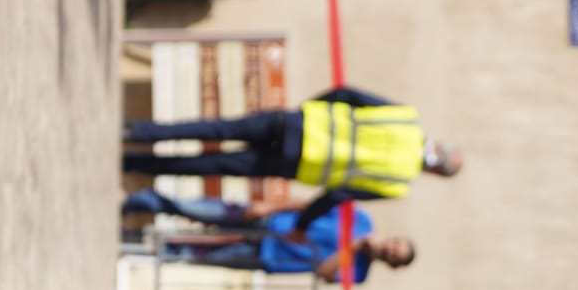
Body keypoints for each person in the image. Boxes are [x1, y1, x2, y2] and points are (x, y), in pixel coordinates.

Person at [123, 85, 460, 229]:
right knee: (211, 166)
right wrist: (302, 224)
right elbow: (337, 195)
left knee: (216, 129)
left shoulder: (405, 117)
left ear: (439, 144)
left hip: (294, 123)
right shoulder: (399, 183)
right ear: (434, 173)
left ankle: (138, 133)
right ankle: (135, 164)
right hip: (295, 162)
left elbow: (346, 93)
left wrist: (308, 110)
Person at [124, 188, 413, 284]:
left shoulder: (359, 274)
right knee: (200, 210)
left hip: (269, 256)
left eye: (394, 256)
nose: (390, 250)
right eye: (395, 246)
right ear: (394, 238)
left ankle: (133, 243)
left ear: (391, 264)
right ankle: (148, 202)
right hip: (270, 221)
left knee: (192, 253)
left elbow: (324, 272)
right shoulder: (360, 218)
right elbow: (310, 205)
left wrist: (355, 247)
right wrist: (271, 205)